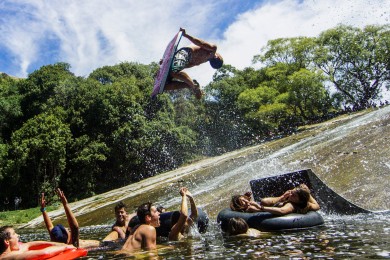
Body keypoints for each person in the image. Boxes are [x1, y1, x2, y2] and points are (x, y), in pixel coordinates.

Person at [164, 27, 224, 99]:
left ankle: (191, 85)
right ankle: (192, 85)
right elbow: (200, 43)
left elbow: (190, 64)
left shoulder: (205, 58)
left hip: (183, 59)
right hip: (185, 53)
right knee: (174, 71)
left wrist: (168, 62)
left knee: (165, 86)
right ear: (218, 57)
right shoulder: (212, 49)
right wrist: (186, 35)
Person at [230, 184, 320, 215]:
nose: (291, 194)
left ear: (300, 200)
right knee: (264, 201)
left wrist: (260, 207)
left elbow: (281, 211)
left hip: (266, 212)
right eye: (292, 192)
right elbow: (317, 205)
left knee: (258, 205)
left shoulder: (291, 205)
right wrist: (307, 192)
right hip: (269, 207)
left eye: (294, 195)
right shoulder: (299, 202)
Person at [0, 226, 75, 260]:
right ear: (7, 241)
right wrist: (65, 247)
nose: (17, 235)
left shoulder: (14, 250)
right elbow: (44, 253)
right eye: (14, 234)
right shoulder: (7, 258)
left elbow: (29, 244)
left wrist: (60, 244)